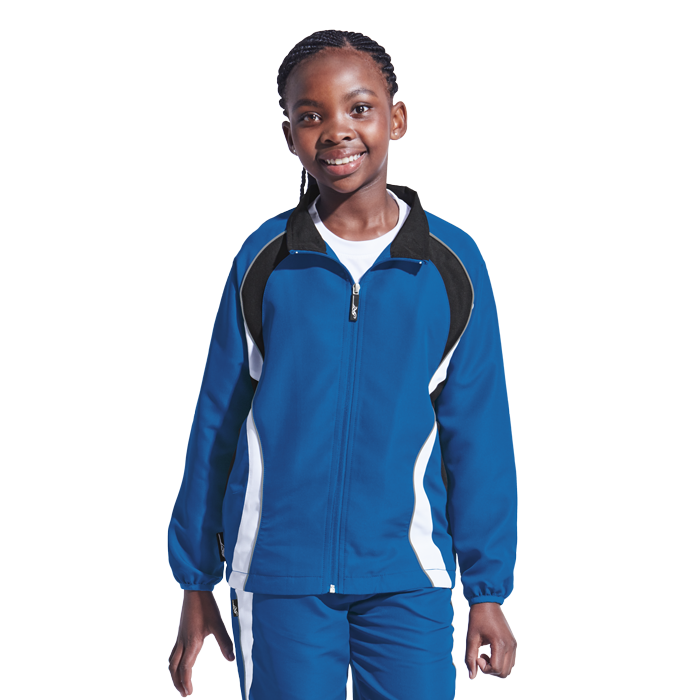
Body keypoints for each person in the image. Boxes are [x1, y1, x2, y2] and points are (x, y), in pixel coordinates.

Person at [167, 29, 517, 700]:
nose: (336, 130)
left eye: (359, 108)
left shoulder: (450, 264)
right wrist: (194, 581)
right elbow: (215, 424)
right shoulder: (264, 258)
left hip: (408, 573)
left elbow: (479, 437)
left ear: (396, 118)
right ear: (289, 135)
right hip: (280, 576)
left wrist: (489, 591)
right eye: (311, 115)